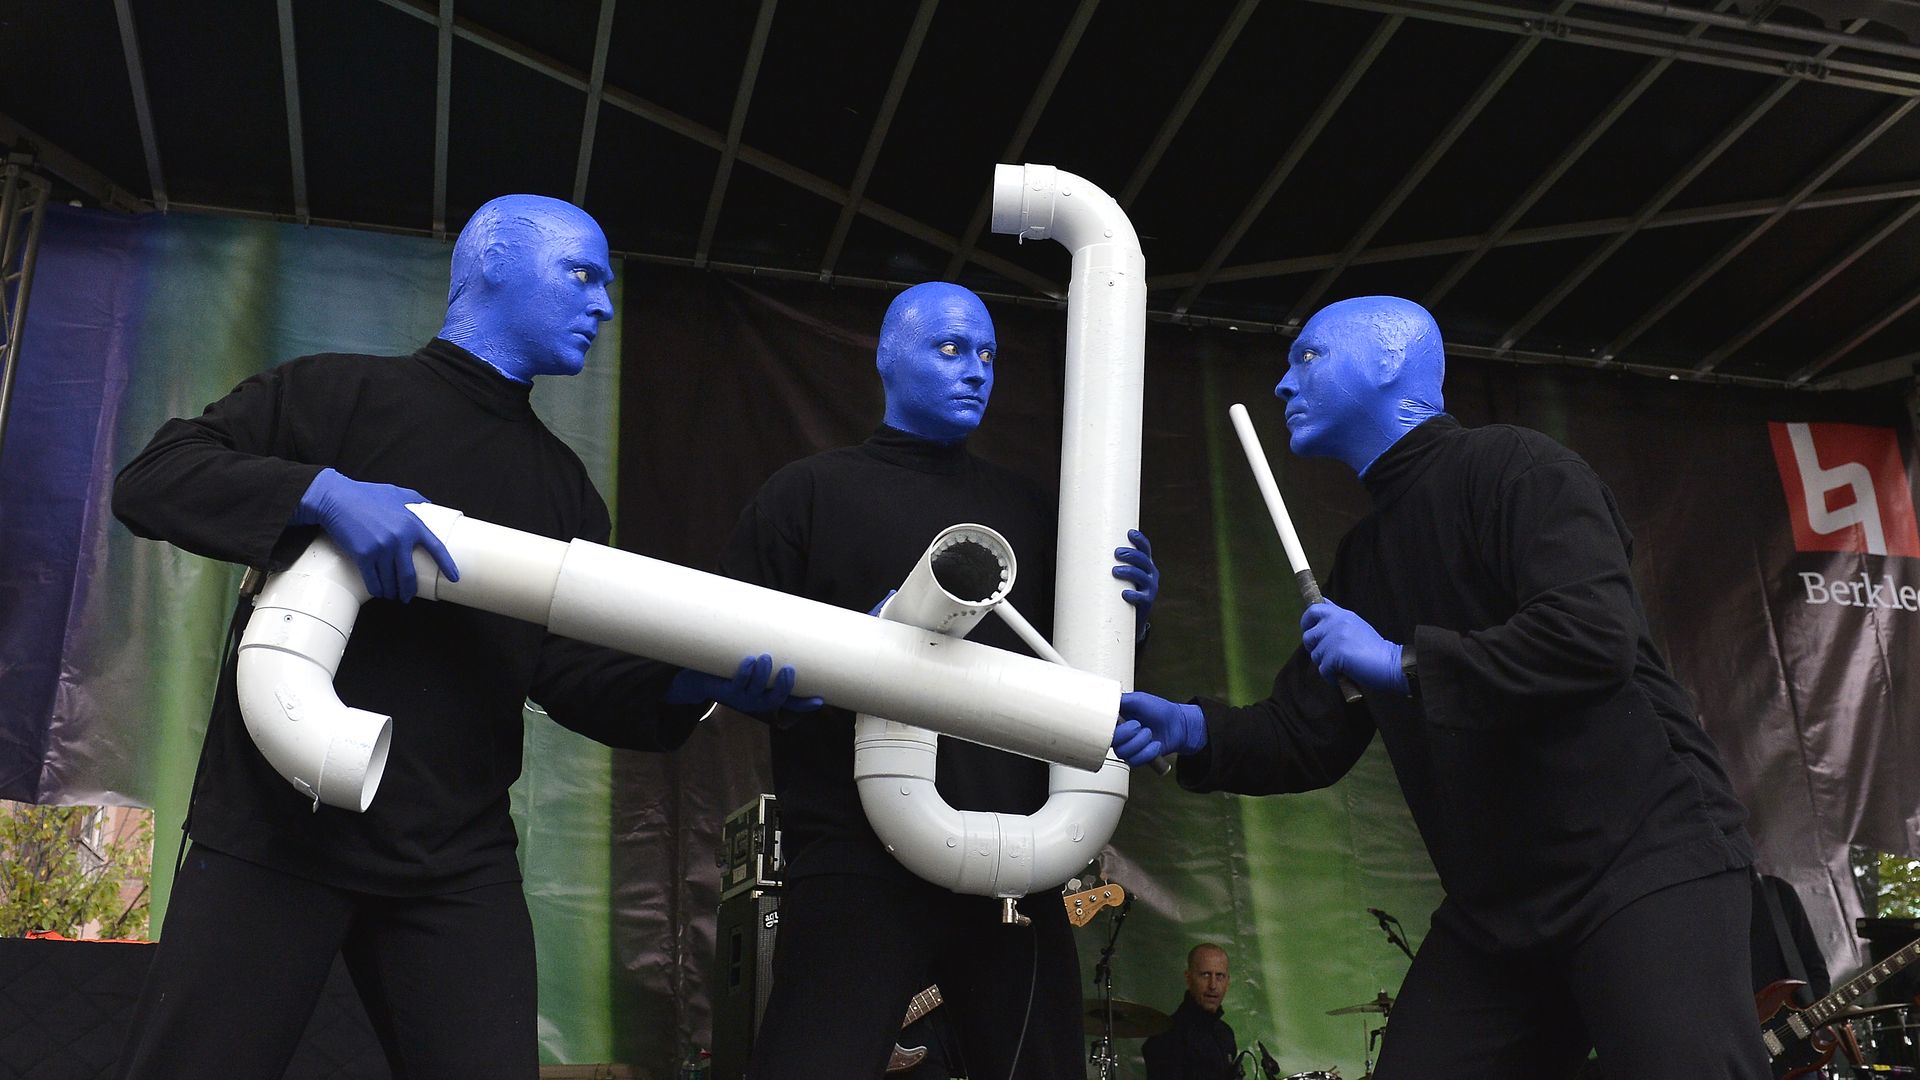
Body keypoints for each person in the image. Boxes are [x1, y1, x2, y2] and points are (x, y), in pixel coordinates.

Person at [110, 194, 813, 1078]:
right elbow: (153, 480)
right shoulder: (335, 393)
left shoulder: (562, 490)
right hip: (274, 830)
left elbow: (572, 676)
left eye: (607, 284)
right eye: (582, 275)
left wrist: (697, 684)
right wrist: (323, 494)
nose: (604, 303)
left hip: (453, 862)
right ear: (491, 263)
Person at [1112, 296, 1768, 1079]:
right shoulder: (1362, 559)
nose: (1285, 385)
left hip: (1642, 866)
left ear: (1391, 362)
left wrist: (1399, 663)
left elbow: (1591, 638)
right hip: (1500, 913)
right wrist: (1193, 729)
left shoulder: (1519, 468)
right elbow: (1306, 738)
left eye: (1308, 358)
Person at [719, 281, 1159, 1078]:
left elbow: (1093, 676)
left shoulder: (1037, 512)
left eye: (987, 355)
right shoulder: (807, 495)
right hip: (856, 855)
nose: (976, 371)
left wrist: (1132, 614)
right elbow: (732, 645)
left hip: (1015, 859)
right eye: (951, 348)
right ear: (888, 355)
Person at [1142, 943, 1240, 1080]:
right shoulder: (1165, 1037)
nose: (1213, 985)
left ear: (1227, 982)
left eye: (1219, 976)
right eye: (1205, 975)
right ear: (1188, 978)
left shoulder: (1225, 1034)